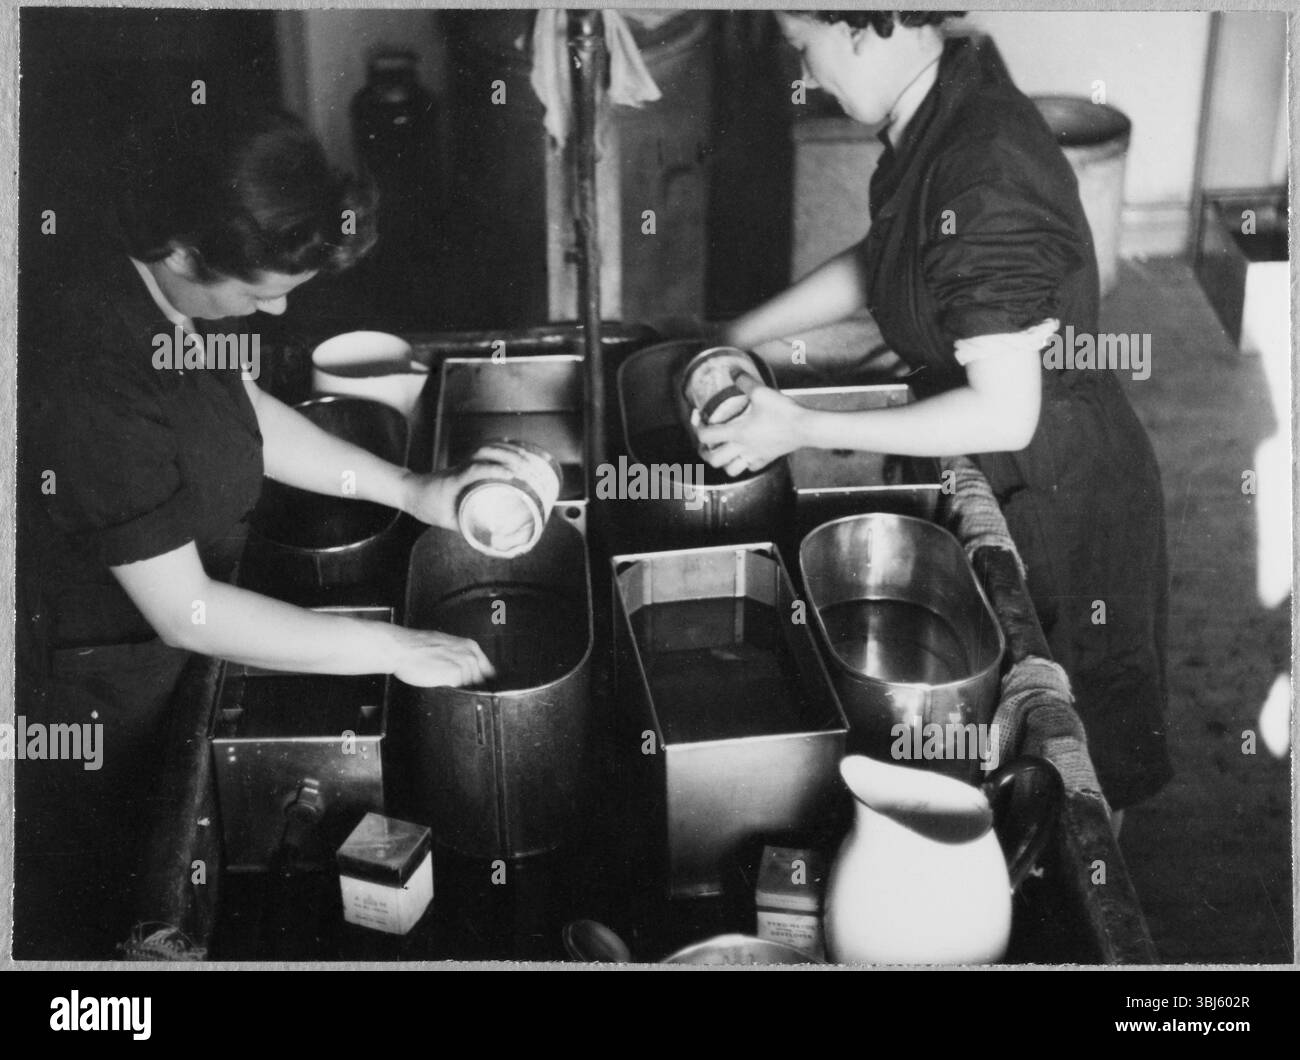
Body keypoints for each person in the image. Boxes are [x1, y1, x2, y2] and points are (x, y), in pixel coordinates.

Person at [14, 108, 533, 958]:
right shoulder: (90, 377)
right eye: (259, 290)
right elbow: (187, 614)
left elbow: (244, 411)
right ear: (182, 251)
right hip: (104, 699)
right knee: (106, 901)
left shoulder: (174, 302)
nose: (280, 305)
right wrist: (399, 649)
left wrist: (413, 490)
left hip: (177, 655)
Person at [698, 11, 1172, 813]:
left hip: (1057, 499)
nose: (807, 71)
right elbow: (887, 257)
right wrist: (736, 335)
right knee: (1004, 769)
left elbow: (1003, 414)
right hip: (1016, 474)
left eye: (804, 44)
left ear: (860, 27)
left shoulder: (984, 170)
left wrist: (803, 426)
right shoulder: (946, 94)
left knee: (1062, 785)